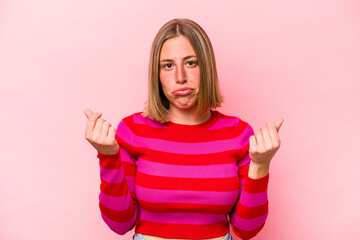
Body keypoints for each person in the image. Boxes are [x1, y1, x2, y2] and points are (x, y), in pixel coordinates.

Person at [84, 18, 283, 240]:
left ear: (206, 68)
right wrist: (108, 157)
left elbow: (246, 230)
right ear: (157, 75)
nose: (180, 77)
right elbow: (120, 224)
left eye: (190, 63)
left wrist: (261, 164)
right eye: (168, 65)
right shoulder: (133, 131)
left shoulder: (238, 133)